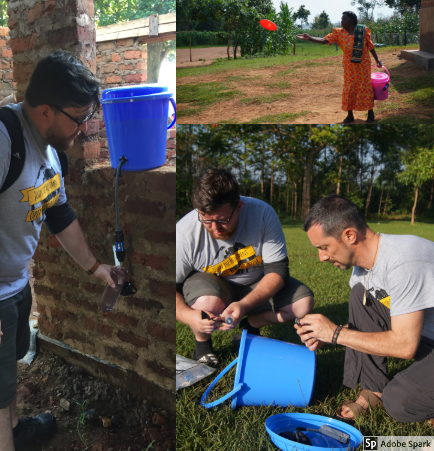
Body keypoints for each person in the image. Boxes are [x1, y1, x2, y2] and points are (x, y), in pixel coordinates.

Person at [0, 50, 117, 451]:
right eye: (78, 118)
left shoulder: (47, 147)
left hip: (14, 286)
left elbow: (59, 215)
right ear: (45, 110)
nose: (84, 127)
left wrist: (97, 269)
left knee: (7, 373)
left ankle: (16, 430)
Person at [297, 194, 434, 422]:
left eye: (324, 247)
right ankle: (373, 390)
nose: (321, 257)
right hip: (425, 335)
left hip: (416, 339)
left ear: (350, 235)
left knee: (400, 401)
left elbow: (405, 345)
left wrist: (336, 334)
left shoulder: (404, 261)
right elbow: (371, 323)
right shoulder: (363, 269)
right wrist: (329, 337)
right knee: (360, 294)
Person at [176, 168, 314, 365]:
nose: (215, 228)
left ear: (239, 207)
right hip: (213, 285)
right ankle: (203, 346)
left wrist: (244, 305)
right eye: (206, 220)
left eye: (223, 219)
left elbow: (278, 271)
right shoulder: (184, 233)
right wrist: (189, 316)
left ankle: (250, 324)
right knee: (207, 304)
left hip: (257, 281)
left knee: (302, 304)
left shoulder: (263, 214)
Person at [297, 11, 383, 124]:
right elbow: (324, 40)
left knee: (365, 87)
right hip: (349, 66)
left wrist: (377, 60)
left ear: (351, 21)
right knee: (349, 88)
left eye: (344, 19)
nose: (342, 21)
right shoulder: (338, 33)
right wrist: (310, 38)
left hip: (363, 65)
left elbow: (370, 46)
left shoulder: (362, 30)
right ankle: (350, 115)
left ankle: (370, 113)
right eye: (341, 19)